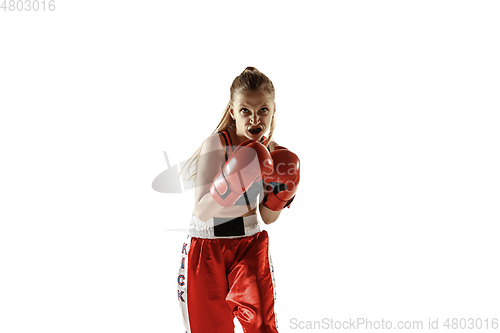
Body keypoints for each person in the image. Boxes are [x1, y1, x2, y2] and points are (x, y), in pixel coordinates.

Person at [177, 67, 300, 333]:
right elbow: (201, 210)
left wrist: (284, 192)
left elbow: (267, 217)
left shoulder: (275, 153)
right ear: (233, 111)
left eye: (263, 110)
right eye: (245, 110)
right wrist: (232, 181)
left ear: (273, 109)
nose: (255, 119)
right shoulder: (217, 144)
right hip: (207, 247)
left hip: (249, 245)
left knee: (262, 327)